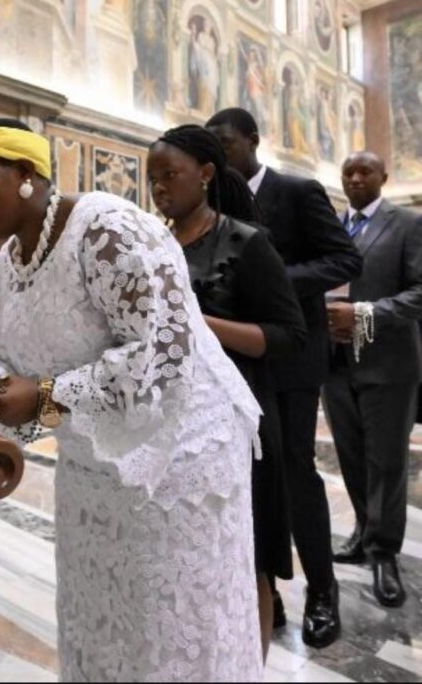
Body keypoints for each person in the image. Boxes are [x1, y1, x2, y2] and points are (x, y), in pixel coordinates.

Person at [0, 98, 264, 681]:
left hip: (178, 457)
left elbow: (162, 352)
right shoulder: (3, 266)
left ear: (25, 175)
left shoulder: (106, 228)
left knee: (166, 629)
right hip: (92, 468)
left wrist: (45, 395)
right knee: (100, 621)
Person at [148, 125, 307, 660]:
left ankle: (251, 666)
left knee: (250, 558)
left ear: (207, 174)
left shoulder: (246, 242)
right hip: (176, 423)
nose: (160, 188)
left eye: (170, 174)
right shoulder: (156, 245)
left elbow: (288, 336)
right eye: (152, 179)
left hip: (242, 426)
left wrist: (201, 324)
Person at [207, 107, 361, 647]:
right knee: (248, 478)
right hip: (239, 363)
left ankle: (323, 589)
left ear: (252, 139)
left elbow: (345, 260)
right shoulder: (215, 203)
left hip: (293, 360)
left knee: (296, 474)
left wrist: (272, 280)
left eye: (224, 143)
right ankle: (263, 592)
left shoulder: (298, 192)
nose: (218, 154)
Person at [323, 151, 422, 609]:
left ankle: (385, 554)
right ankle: (363, 533)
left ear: (385, 175)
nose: (356, 178)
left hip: (388, 364)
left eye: (365, 171)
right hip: (335, 364)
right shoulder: (332, 226)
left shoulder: (406, 224)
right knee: (353, 456)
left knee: (386, 463)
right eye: (348, 172)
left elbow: (419, 292)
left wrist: (365, 314)